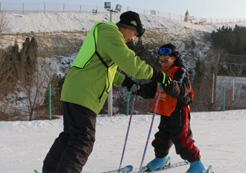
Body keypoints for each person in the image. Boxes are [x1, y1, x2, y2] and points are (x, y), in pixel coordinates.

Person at [42, 11, 170, 173]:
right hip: (84, 93)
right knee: (83, 140)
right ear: (127, 27)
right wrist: (157, 74)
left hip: (75, 91)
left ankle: (50, 170)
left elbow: (104, 69)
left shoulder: (104, 35)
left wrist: (126, 81)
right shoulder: (110, 33)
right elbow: (130, 62)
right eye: (134, 33)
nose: (132, 39)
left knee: (70, 136)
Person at [124, 43, 207, 173]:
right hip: (165, 109)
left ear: (174, 58)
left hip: (179, 110)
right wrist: (137, 88)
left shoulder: (181, 71)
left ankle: (198, 165)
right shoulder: (163, 72)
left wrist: (166, 81)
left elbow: (179, 90)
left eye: (166, 60)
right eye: (161, 61)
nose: (163, 64)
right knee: (162, 137)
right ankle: (161, 159)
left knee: (182, 137)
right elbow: (151, 90)